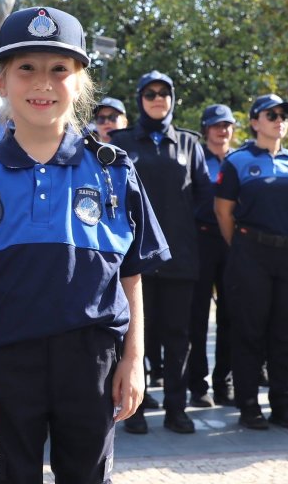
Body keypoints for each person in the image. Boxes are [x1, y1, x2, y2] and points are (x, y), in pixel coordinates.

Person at [0, 7, 167, 482]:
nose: (42, 84)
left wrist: (134, 361)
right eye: (26, 68)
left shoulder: (115, 170)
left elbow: (130, 276)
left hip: (91, 361)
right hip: (4, 361)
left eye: (59, 70)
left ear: (80, 81)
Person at [111, 71, 208, 435]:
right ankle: (133, 410)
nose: (157, 99)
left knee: (177, 337)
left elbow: (202, 199)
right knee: (136, 336)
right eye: (149, 93)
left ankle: (176, 409)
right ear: (139, 98)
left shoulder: (188, 144)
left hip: (179, 258)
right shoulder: (120, 143)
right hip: (133, 261)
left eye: (163, 93)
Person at [214, 94, 288, 430]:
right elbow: (223, 211)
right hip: (251, 253)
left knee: (286, 332)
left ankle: (283, 405)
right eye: (271, 115)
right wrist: (244, 245)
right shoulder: (237, 161)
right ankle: (248, 406)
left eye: (284, 116)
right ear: (255, 122)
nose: (279, 121)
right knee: (249, 332)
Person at [189, 103, 237, 408]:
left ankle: (224, 382)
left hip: (233, 242)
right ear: (206, 129)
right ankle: (197, 384)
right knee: (196, 319)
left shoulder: (238, 160)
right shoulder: (196, 159)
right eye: (216, 125)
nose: (222, 130)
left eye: (227, 125)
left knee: (231, 317)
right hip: (201, 240)